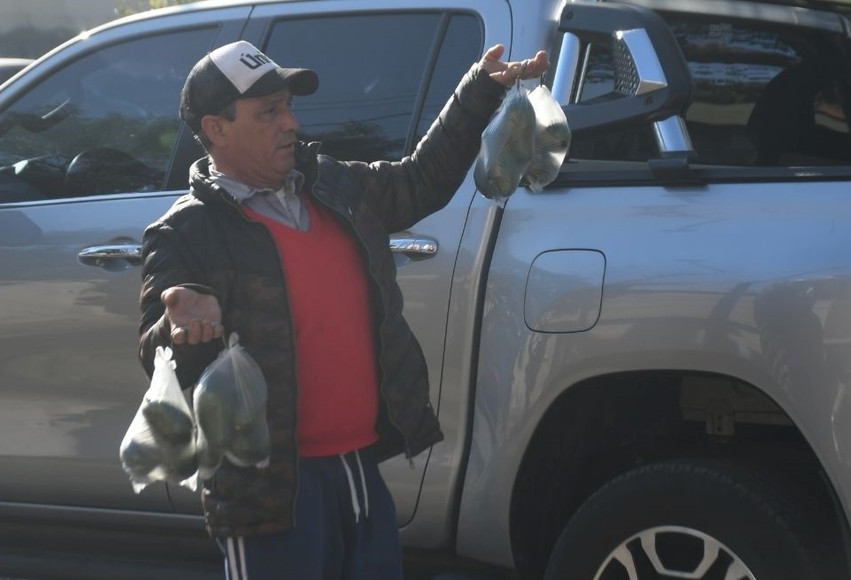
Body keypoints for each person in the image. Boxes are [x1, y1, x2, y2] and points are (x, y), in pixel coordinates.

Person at [137, 39, 548, 579]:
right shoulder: (186, 230)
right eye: (269, 113)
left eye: (288, 106)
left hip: (357, 468)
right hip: (270, 490)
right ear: (216, 129)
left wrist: (481, 89)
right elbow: (156, 350)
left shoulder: (330, 183)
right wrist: (179, 321)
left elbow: (419, 181)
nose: (290, 123)